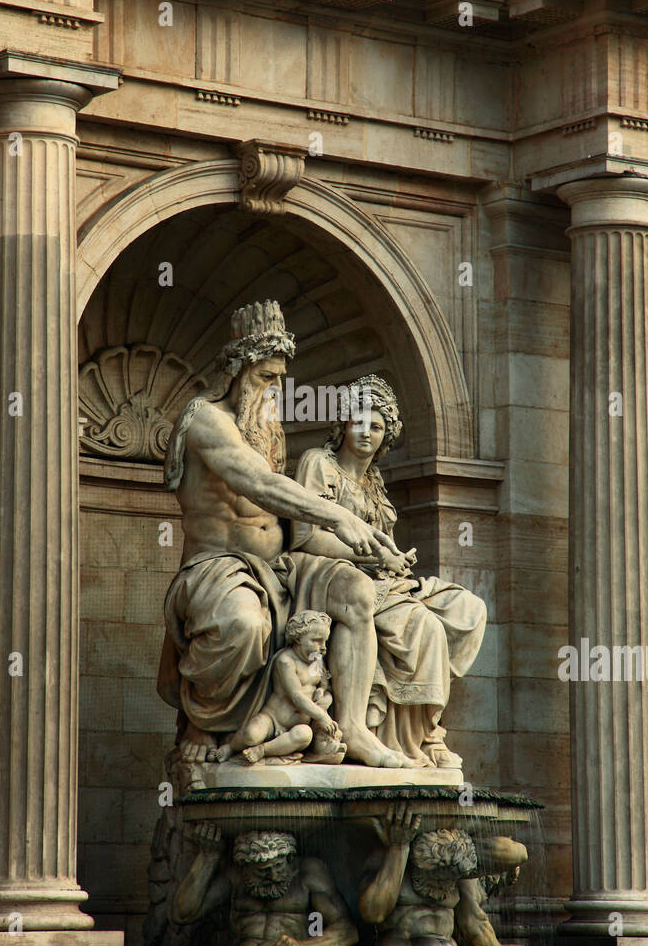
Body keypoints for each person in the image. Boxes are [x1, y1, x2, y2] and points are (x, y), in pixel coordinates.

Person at [157, 302, 414, 768]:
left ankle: (353, 728)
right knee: (244, 624)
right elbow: (261, 484)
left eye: (279, 378)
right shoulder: (205, 420)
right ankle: (207, 717)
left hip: (283, 568)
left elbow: (289, 520)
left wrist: (366, 550)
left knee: (358, 593)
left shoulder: (268, 428)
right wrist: (339, 518)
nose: (275, 389)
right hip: (221, 567)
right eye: (265, 377)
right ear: (236, 369)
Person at [290, 375, 487, 768]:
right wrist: (376, 558)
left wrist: (399, 567)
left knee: (465, 607)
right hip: (322, 572)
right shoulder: (318, 463)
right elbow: (304, 537)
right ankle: (401, 735)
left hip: (378, 580)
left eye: (377, 426)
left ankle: (421, 735)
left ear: (387, 436)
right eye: (359, 421)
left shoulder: (375, 484)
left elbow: (387, 547)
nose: (367, 432)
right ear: (343, 424)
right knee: (421, 625)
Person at [359, 806, 573, 946]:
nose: (444, 884)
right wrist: (399, 848)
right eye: (438, 876)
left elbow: (514, 854)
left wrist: (468, 841)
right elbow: (373, 913)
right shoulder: (390, 856)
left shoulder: (459, 860)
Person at [173, 826, 357, 946]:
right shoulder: (236, 876)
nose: (273, 876)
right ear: (245, 866)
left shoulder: (307, 873)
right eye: (262, 872)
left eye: (278, 866)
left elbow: (347, 930)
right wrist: (207, 857)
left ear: (290, 858)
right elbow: (183, 913)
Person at [213, 610, 346, 765]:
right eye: (316, 640)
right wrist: (322, 716)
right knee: (251, 734)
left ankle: (263, 750)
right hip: (273, 719)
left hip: (298, 725)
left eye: (324, 641)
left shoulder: (315, 659)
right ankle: (231, 747)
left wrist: (322, 693)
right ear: (298, 638)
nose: (323, 647)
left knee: (304, 735)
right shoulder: (286, 661)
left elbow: (324, 683)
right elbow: (297, 696)